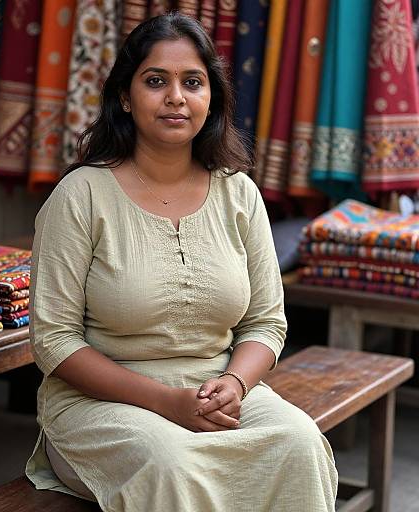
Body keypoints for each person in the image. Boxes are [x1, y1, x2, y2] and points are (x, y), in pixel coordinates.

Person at [26, 12, 338, 511]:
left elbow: (266, 323)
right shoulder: (81, 195)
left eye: (192, 82)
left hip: (219, 392)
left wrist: (235, 383)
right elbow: (54, 341)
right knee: (169, 461)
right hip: (103, 407)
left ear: (210, 96)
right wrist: (167, 402)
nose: (176, 97)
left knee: (299, 443)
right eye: (156, 81)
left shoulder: (239, 194)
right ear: (126, 97)